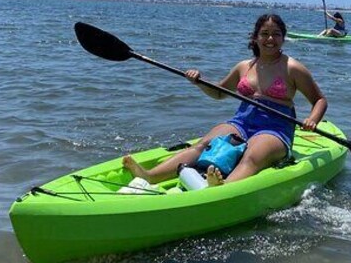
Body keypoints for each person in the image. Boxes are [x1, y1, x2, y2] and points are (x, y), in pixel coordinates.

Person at [123, 14, 327, 187]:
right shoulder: (244, 66)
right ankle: (150, 176)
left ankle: (222, 189)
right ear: (255, 38)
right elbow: (219, 93)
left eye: (276, 34)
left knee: (252, 155)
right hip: (242, 121)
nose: (270, 39)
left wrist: (313, 119)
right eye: (264, 34)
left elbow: (319, 100)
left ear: (283, 38)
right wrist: (199, 82)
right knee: (204, 144)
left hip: (275, 128)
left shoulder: (293, 67)